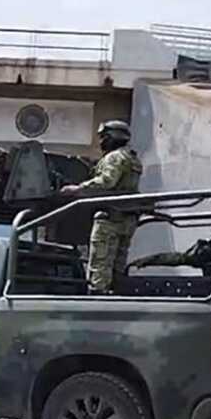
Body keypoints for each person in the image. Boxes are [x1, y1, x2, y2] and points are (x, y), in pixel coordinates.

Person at [58, 119, 142, 293]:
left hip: (109, 217)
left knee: (100, 261)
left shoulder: (115, 157)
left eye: (104, 137)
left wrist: (78, 189)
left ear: (114, 137)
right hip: (126, 217)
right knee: (117, 264)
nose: (101, 141)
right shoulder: (132, 157)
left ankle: (97, 294)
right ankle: (115, 292)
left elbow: (107, 182)